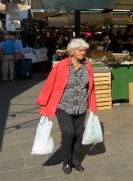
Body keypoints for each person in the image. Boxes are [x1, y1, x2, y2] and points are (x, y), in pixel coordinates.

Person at [36, 38, 98, 174]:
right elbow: (49, 84)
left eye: (84, 50)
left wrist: (92, 104)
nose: (83, 53)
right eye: (80, 50)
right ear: (71, 52)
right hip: (63, 105)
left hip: (81, 106)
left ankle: (75, 160)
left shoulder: (88, 65)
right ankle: (66, 161)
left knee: (79, 134)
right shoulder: (61, 65)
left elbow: (91, 87)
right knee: (68, 133)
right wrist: (43, 102)